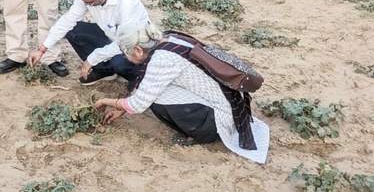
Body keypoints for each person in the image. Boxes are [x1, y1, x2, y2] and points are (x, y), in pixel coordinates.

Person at [93, 21, 270, 164]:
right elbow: (143, 86)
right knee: (154, 90)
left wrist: (107, 101)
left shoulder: (161, 59)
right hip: (232, 105)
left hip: (222, 118)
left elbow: (139, 104)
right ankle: (203, 125)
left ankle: (202, 133)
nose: (125, 58)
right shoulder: (168, 38)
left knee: (157, 97)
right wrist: (121, 108)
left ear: (138, 50)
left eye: (126, 54)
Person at [27, 0, 149, 89]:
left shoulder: (126, 2)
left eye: (90, 2)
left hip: (133, 45)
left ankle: (138, 79)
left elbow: (125, 42)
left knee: (120, 64)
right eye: (83, 0)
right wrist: (42, 49)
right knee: (73, 30)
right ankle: (104, 70)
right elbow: (68, 20)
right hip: (110, 35)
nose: (85, 5)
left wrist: (93, 58)